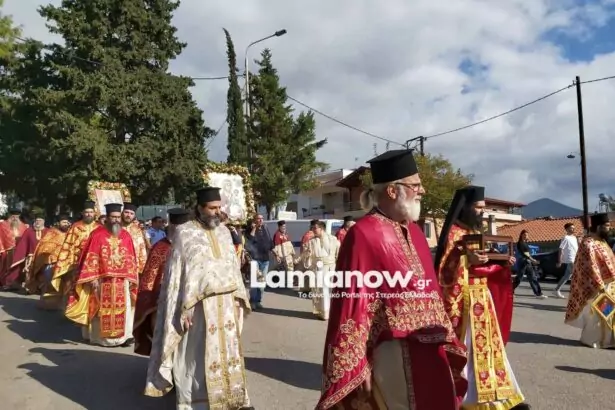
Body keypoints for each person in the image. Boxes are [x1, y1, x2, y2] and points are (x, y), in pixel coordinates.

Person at [317, 150, 467, 410]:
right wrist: (357, 364)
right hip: (393, 350)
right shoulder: (363, 234)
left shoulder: (416, 232)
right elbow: (351, 304)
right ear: (391, 191)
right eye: (415, 185)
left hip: (433, 348)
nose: (422, 190)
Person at [144, 187, 252, 409]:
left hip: (226, 304)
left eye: (219, 207)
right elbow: (177, 274)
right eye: (212, 208)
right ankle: (196, 403)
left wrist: (238, 298)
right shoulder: (185, 233)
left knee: (229, 352)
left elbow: (232, 267)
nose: (217, 212)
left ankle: (233, 398)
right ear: (200, 208)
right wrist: (183, 307)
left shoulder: (224, 232)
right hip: (198, 306)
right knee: (196, 354)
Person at [434, 186, 530, 410]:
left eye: (483, 208)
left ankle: (499, 395)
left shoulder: (474, 232)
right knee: (471, 353)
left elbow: (485, 263)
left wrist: (502, 262)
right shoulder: (454, 234)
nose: (482, 212)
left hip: (482, 300)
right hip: (466, 305)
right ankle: (471, 399)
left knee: (490, 349)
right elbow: (444, 273)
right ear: (466, 207)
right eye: (478, 207)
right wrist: (467, 260)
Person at [65, 203, 139, 347]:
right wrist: (92, 277)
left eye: (118, 217)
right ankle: (100, 338)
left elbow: (131, 257)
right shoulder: (97, 234)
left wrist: (131, 277)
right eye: (113, 217)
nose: (116, 220)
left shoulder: (126, 235)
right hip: (102, 279)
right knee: (100, 309)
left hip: (121, 280)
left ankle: (122, 338)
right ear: (107, 218)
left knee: (122, 308)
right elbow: (90, 256)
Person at [133, 208, 190, 356]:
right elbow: (150, 277)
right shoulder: (160, 247)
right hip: (163, 300)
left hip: (189, 299)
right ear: (171, 226)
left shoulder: (195, 248)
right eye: (177, 227)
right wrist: (152, 298)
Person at [565, 212, 615, 348]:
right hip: (597, 287)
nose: (609, 228)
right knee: (601, 315)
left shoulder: (602, 242)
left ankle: (609, 340)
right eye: (607, 226)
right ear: (598, 227)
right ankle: (596, 340)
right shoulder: (588, 244)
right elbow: (590, 267)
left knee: (610, 314)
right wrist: (600, 286)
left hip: (610, 286)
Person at [50, 200, 100, 297]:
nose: (89, 214)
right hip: (77, 262)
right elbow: (68, 245)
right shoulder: (76, 227)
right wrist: (67, 261)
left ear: (95, 213)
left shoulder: (99, 228)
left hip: (94, 263)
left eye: (91, 212)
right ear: (83, 213)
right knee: (73, 288)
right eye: (86, 212)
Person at [25, 214, 71, 309]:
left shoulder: (71, 234)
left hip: (66, 263)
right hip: (52, 263)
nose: (66, 224)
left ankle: (61, 305)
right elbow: (44, 246)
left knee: (66, 285)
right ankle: (46, 304)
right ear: (58, 223)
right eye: (63, 222)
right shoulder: (52, 233)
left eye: (67, 222)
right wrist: (55, 250)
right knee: (49, 283)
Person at [303, 220, 340, 321]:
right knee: (322, 291)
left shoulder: (333, 239)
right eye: (312, 228)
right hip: (319, 269)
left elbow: (338, 253)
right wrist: (307, 254)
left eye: (315, 228)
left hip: (331, 267)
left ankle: (332, 312)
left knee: (332, 291)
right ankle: (324, 313)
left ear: (321, 228)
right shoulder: (311, 242)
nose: (313, 230)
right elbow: (307, 257)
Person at [3, 213, 48, 291]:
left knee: (42, 273)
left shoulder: (48, 231)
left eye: (40, 220)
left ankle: (41, 287)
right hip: (31, 257)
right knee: (29, 272)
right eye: (36, 220)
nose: (38, 222)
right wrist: (20, 255)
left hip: (43, 257)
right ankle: (29, 288)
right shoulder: (29, 231)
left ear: (44, 221)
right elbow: (23, 243)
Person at [244, 213, 273, 310]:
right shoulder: (250, 230)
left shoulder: (265, 229)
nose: (260, 220)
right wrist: (253, 228)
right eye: (258, 219)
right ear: (254, 220)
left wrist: (276, 253)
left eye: (262, 219)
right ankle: (252, 301)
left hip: (265, 260)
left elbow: (270, 242)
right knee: (254, 282)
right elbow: (249, 241)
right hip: (255, 259)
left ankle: (258, 301)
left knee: (262, 283)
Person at [513, 230, 546, 298]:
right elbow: (524, 254)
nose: (526, 236)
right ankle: (510, 291)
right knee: (519, 278)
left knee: (533, 277)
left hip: (527, 262)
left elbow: (528, 254)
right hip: (522, 262)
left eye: (527, 235)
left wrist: (531, 260)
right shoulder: (520, 243)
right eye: (524, 235)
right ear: (521, 235)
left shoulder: (525, 243)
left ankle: (538, 293)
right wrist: (532, 260)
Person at [0, 209, 28, 290]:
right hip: (6, 251)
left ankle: (15, 283)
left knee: (17, 267)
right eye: (13, 216)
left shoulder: (24, 226)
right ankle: (5, 283)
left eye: (16, 217)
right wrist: (1, 249)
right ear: (10, 216)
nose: (15, 218)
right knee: (5, 267)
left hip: (19, 251)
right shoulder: (2, 225)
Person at [554, 222, 579, 298]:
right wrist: (559, 261)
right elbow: (561, 249)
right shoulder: (565, 238)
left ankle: (556, 290)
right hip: (570, 259)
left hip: (575, 258)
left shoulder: (574, 238)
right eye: (571, 228)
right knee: (577, 275)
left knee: (567, 276)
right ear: (567, 229)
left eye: (574, 228)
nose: (573, 229)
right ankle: (577, 292)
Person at [122, 202, 148, 275]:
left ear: (134, 216)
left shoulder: (137, 230)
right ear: (122, 213)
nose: (128, 215)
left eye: (131, 213)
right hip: (118, 267)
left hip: (134, 267)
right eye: (126, 212)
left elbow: (142, 249)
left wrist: (142, 268)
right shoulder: (115, 228)